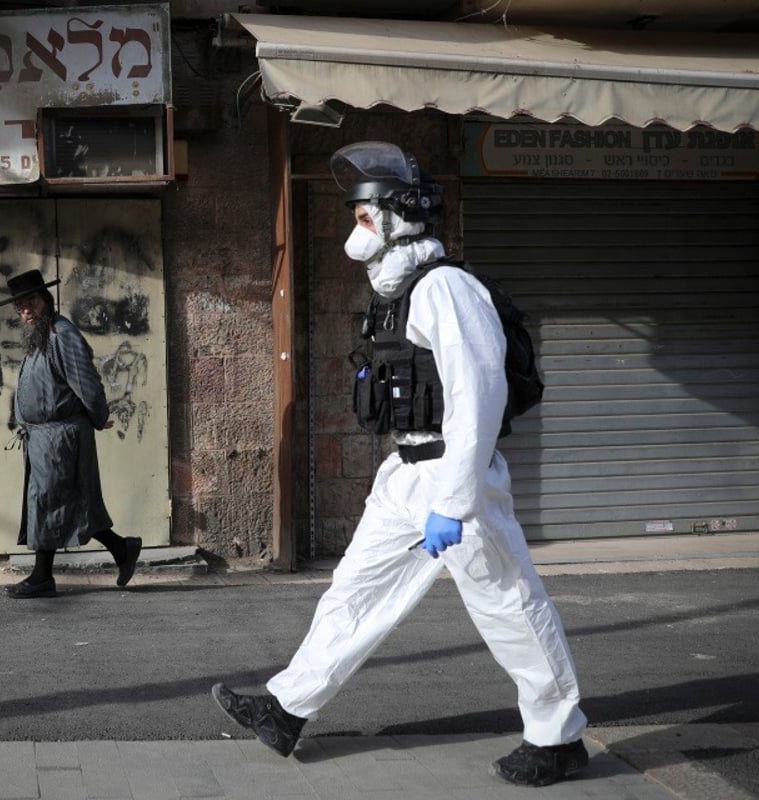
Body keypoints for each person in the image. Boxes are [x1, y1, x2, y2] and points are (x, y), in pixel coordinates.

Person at [211, 142, 589, 788]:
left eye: (364, 215)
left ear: (397, 216)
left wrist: (456, 499)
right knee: (353, 592)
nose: (355, 228)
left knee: (507, 602)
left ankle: (557, 737)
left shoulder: (445, 288)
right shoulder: (395, 292)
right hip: (406, 473)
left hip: (454, 474)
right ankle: (287, 707)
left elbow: (478, 393)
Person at [0, 269, 142, 599]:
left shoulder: (62, 335)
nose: (25, 311)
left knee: (49, 500)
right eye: (20, 306)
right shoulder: (40, 336)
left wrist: (97, 417)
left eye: (31, 302)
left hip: (59, 435)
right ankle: (122, 549)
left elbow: (87, 383)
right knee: (70, 503)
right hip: (44, 436)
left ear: (46, 300)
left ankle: (42, 577)